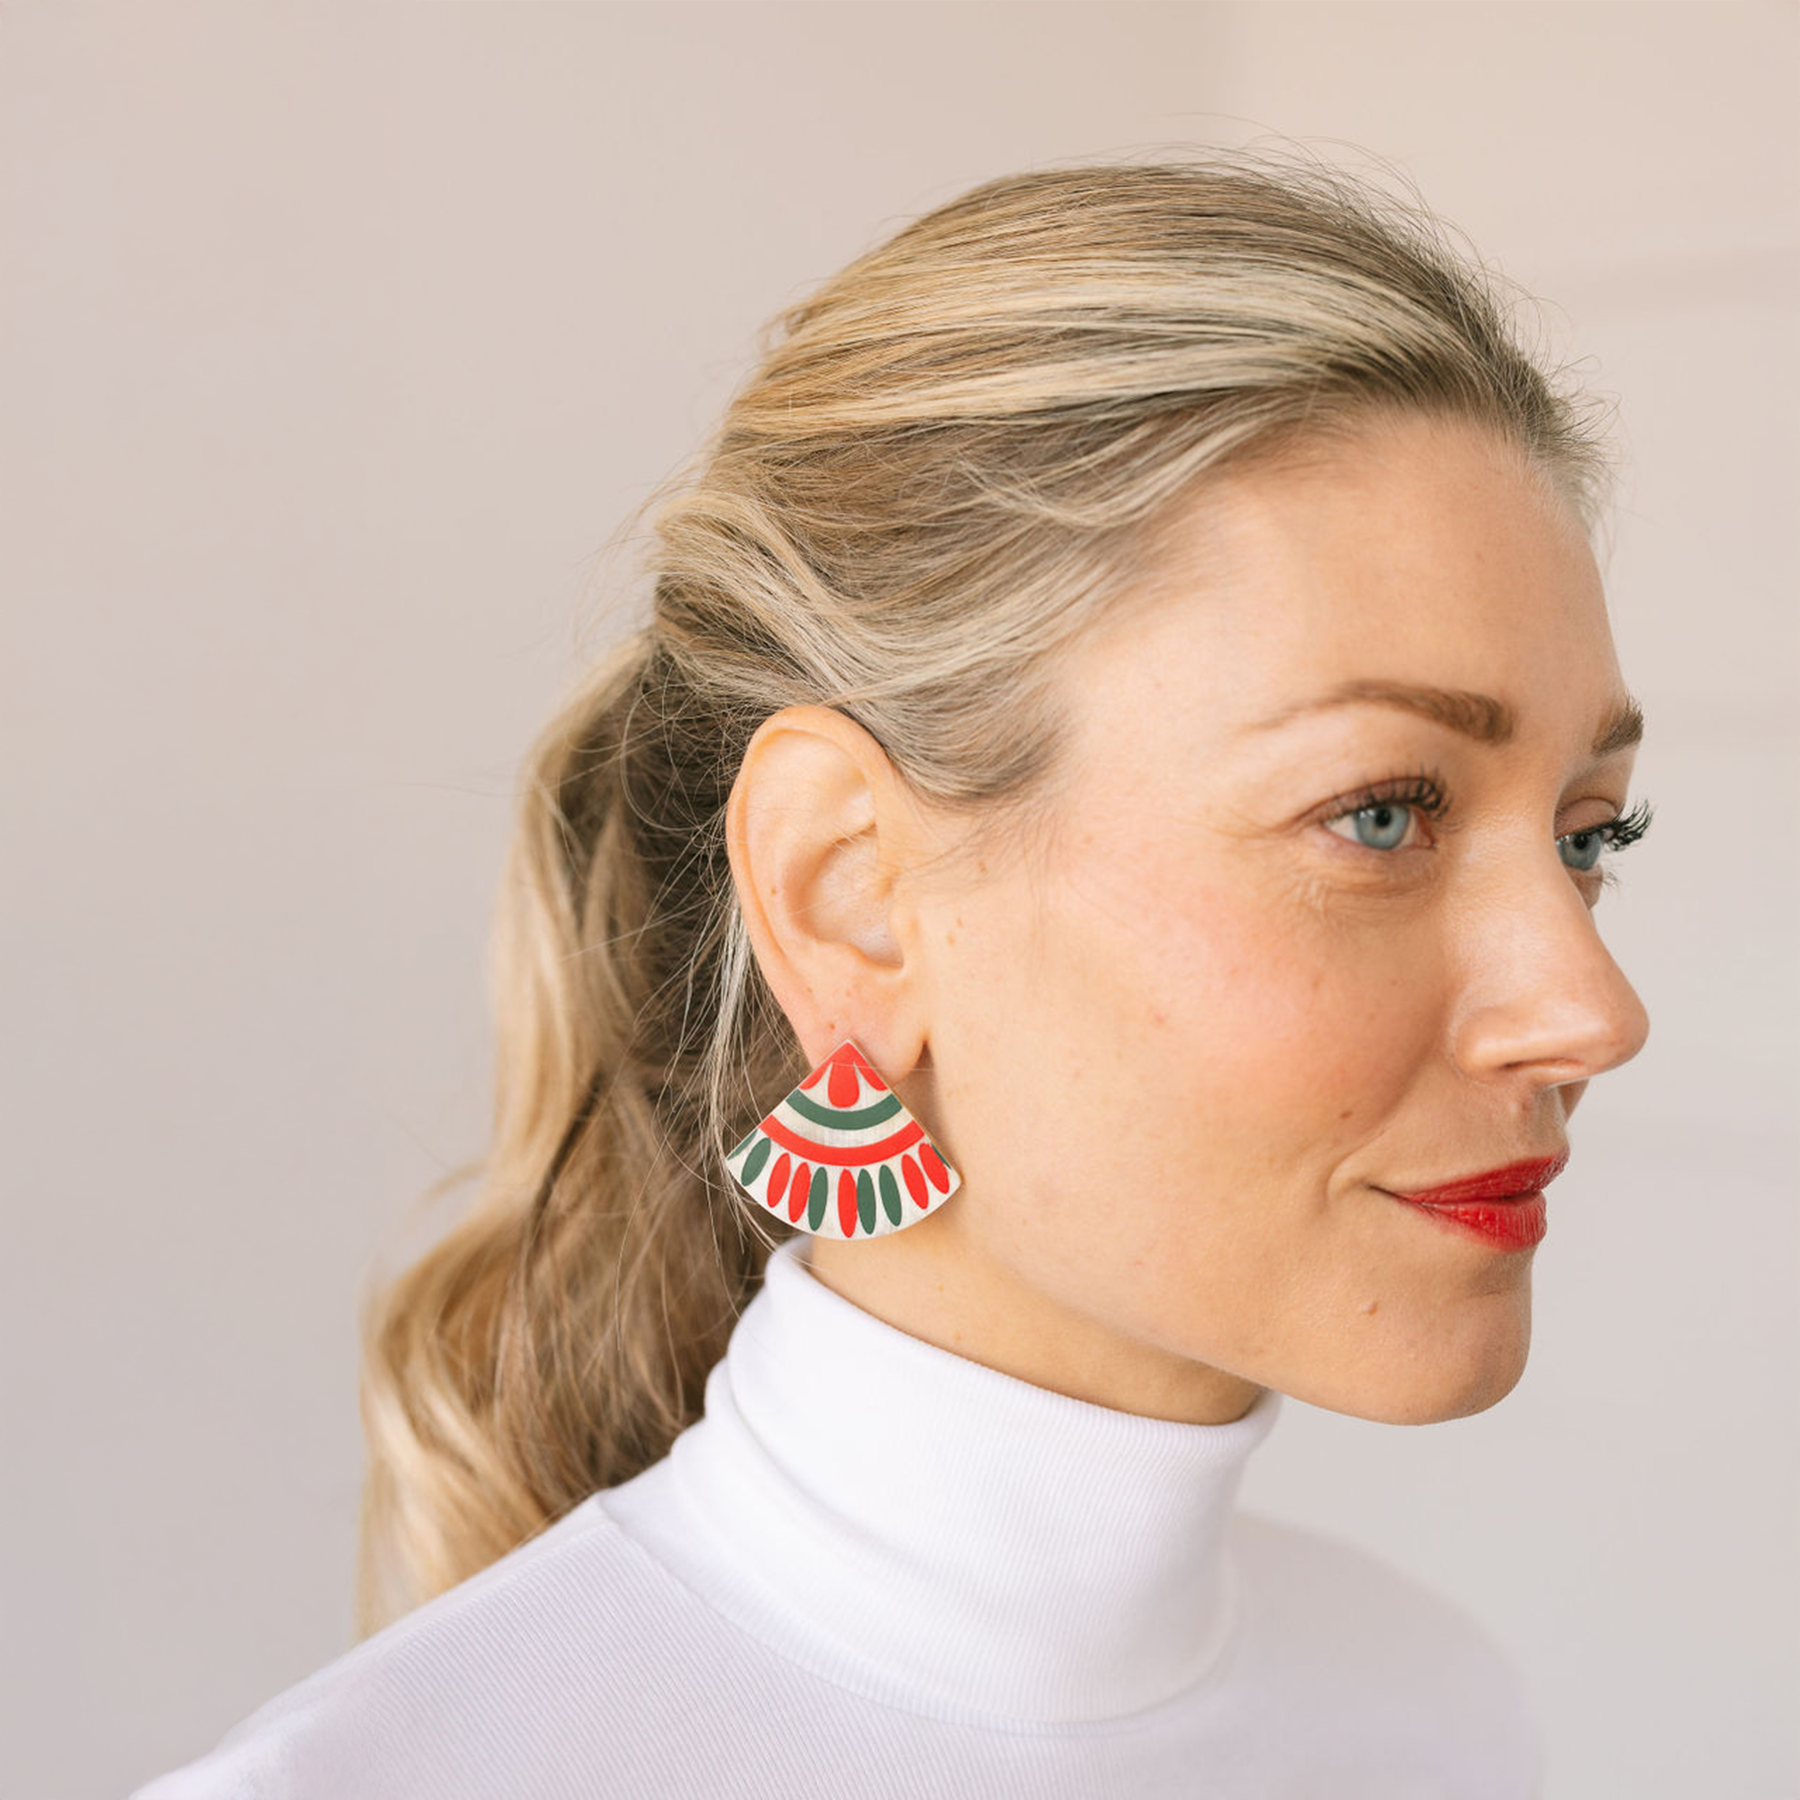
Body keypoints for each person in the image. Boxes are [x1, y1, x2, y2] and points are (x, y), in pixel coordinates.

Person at [134, 149, 1652, 1797]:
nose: (1590, 1011)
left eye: (1589, 834)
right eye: (1381, 813)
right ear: (852, 896)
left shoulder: (1440, 1714)